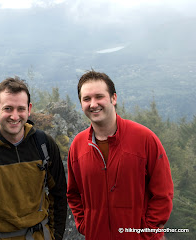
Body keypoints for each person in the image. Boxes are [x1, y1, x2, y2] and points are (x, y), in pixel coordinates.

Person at [66, 70, 174, 240]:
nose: (93, 104)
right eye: (87, 99)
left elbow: (163, 193)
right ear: (81, 104)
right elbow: (73, 194)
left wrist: (146, 232)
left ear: (113, 98)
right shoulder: (78, 146)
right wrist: (85, 225)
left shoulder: (144, 139)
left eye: (99, 96)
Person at [0, 77, 67, 240]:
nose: (15, 116)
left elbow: (59, 194)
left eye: (20, 109)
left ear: (29, 109)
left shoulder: (44, 145)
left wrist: (55, 236)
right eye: (8, 108)